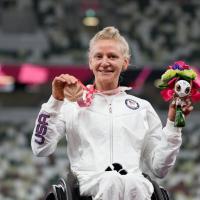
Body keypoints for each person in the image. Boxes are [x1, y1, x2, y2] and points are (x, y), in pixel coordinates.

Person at [31, 27, 193, 200]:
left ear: (125, 62)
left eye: (112, 56)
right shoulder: (70, 105)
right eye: (98, 56)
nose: (105, 62)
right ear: (90, 62)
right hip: (86, 188)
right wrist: (55, 100)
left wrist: (174, 125)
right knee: (112, 180)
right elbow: (40, 148)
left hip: (134, 189)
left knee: (133, 182)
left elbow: (160, 168)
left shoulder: (142, 108)